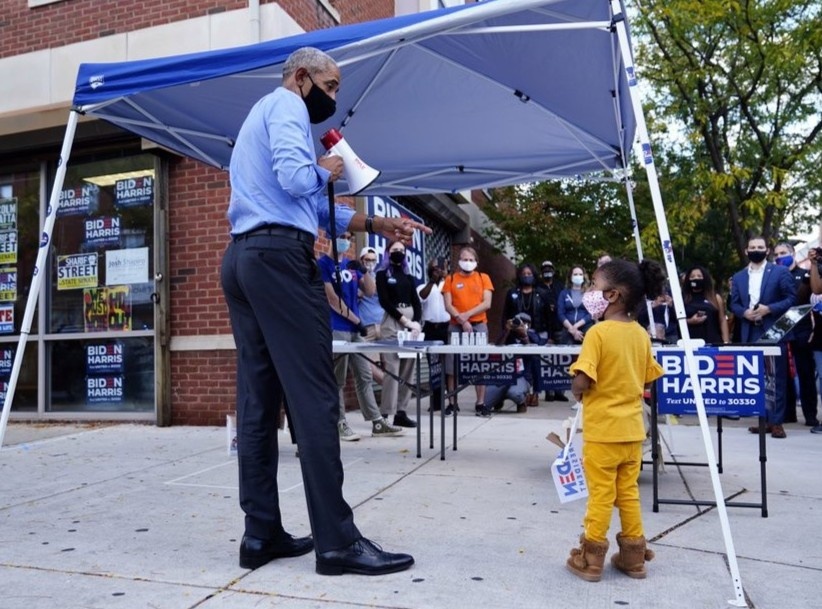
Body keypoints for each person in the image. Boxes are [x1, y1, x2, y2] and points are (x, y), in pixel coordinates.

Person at [221, 46, 427, 576]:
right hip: (279, 261)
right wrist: (329, 165)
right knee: (314, 396)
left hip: (244, 257)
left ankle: (260, 533)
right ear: (303, 77)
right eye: (331, 87)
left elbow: (303, 203)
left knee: (259, 399)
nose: (333, 98)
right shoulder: (288, 105)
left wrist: (375, 225)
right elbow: (298, 180)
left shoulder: (258, 116)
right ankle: (337, 542)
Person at [565, 258, 666, 582]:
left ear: (612, 296)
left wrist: (578, 390)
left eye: (593, 285)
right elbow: (649, 380)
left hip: (602, 432)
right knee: (628, 494)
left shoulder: (597, 333)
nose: (589, 291)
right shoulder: (640, 335)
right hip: (633, 431)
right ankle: (634, 556)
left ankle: (591, 557)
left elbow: (582, 381)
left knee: (600, 496)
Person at [318, 233, 404, 441]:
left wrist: (363, 270)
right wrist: (357, 320)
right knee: (337, 379)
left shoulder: (350, 264)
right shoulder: (323, 264)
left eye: (348, 236)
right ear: (330, 236)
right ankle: (339, 423)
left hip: (356, 330)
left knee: (364, 375)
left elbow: (370, 290)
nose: (345, 239)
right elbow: (332, 299)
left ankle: (376, 422)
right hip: (337, 327)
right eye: (341, 236)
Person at [730, 236, 796, 439]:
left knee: (776, 378)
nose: (756, 250)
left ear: (767, 251)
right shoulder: (739, 276)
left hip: (774, 329)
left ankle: (777, 423)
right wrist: (743, 313)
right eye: (752, 247)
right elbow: (734, 303)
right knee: (756, 379)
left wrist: (769, 309)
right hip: (750, 331)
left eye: (760, 247)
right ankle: (763, 420)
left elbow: (791, 298)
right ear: (746, 250)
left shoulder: (780, 272)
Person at [442, 246, 494, 417]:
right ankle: (452, 402)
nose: (468, 262)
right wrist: (461, 319)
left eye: (471, 260)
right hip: (456, 326)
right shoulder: (450, 279)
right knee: (452, 365)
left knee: (480, 363)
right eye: (464, 259)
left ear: (476, 262)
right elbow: (448, 304)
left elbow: (487, 303)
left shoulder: (483, 277)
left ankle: (480, 403)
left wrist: (467, 316)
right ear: (458, 261)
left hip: (478, 325)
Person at [376, 239, 422, 428]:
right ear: (388, 252)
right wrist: (404, 320)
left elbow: (416, 301)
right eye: (395, 249)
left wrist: (417, 323)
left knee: (408, 369)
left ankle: (401, 411)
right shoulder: (382, 274)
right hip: (393, 321)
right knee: (392, 369)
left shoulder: (408, 276)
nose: (399, 252)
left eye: (402, 250)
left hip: (411, 323)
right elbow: (384, 301)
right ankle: (388, 411)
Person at [501, 263, 552, 406]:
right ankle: (522, 392)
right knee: (519, 363)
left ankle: (535, 392)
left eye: (530, 274)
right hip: (516, 334)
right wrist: (506, 331)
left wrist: (550, 336)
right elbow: (505, 315)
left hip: (537, 334)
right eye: (524, 274)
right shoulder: (512, 293)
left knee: (535, 361)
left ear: (534, 276)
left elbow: (549, 317)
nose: (527, 276)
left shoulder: (541, 294)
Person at [486, 313, 545, 414]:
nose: (519, 325)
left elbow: (534, 357)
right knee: (485, 402)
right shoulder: (508, 333)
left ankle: (521, 402)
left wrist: (524, 336)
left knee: (514, 393)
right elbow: (497, 349)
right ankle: (499, 399)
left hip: (522, 377)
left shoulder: (533, 336)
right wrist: (507, 330)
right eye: (517, 321)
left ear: (529, 325)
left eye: (523, 323)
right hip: (503, 376)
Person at [417, 259, 451, 412]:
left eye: (441, 268)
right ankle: (436, 402)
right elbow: (422, 297)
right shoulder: (423, 287)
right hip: (430, 328)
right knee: (434, 367)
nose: (438, 271)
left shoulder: (449, 286)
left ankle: (450, 401)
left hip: (446, 328)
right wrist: (432, 281)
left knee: (447, 365)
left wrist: (444, 277)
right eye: (435, 268)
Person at [536, 260, 566, 401]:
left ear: (553, 271)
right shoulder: (538, 288)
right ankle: (549, 392)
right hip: (544, 328)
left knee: (560, 359)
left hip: (559, 327)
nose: (547, 271)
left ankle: (560, 391)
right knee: (547, 361)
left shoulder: (559, 286)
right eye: (544, 269)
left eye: (550, 268)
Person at [356, 246, 386, 385]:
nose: (370, 263)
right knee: (370, 366)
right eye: (367, 260)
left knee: (389, 365)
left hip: (383, 326)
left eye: (373, 260)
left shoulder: (380, 277)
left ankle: (393, 395)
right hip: (367, 327)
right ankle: (393, 388)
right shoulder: (355, 275)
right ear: (361, 260)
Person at [681, 265, 730, 345]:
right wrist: (690, 321)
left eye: (699, 276)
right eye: (692, 276)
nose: (696, 278)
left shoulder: (715, 298)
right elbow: (675, 322)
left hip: (713, 341)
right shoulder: (682, 299)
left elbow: (722, 320)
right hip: (690, 342)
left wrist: (726, 342)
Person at [557, 265, 593, 344]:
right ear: (570, 277)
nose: (578, 276)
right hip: (567, 329)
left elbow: (591, 313)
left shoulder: (588, 294)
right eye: (575, 274)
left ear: (583, 276)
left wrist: (576, 326)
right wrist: (571, 329)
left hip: (586, 328)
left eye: (580, 274)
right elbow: (560, 313)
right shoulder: (564, 293)